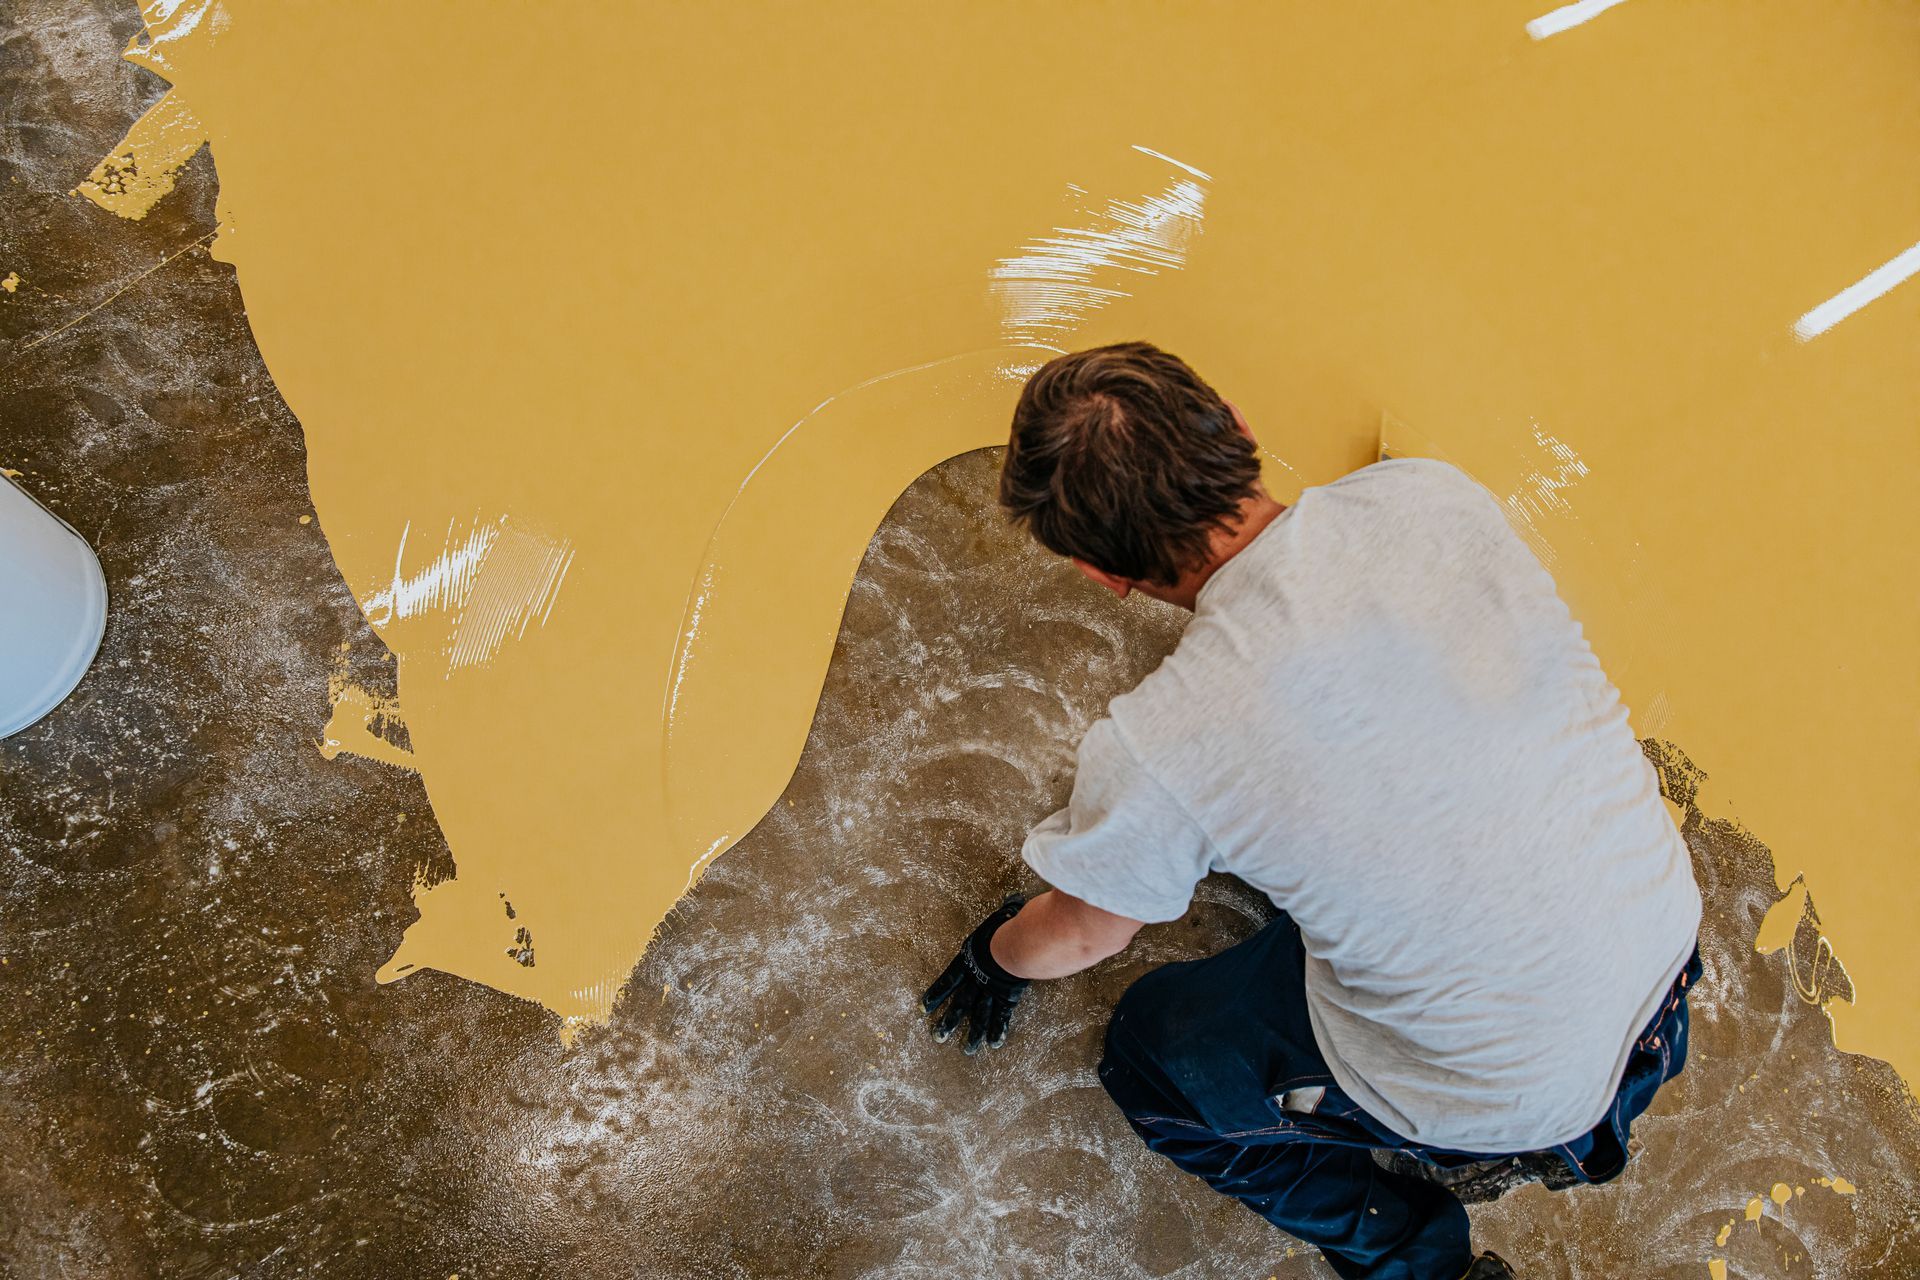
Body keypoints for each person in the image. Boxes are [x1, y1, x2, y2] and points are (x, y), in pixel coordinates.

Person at [918, 342, 1704, 1280]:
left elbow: (1085, 934)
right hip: (1664, 953)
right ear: (1240, 428)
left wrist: (994, 957)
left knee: (1151, 1057)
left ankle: (1418, 1260)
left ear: (1102, 575)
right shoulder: (1434, 496)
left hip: (1521, 1102)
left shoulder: (1161, 743)